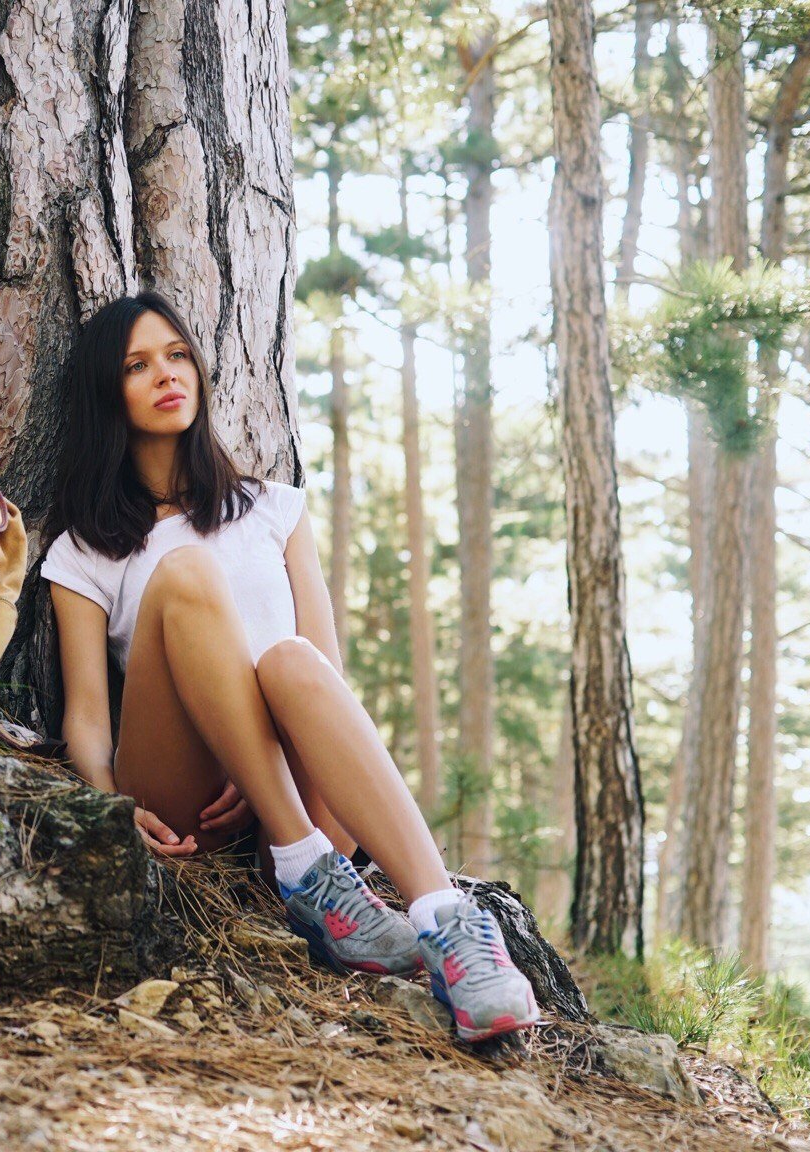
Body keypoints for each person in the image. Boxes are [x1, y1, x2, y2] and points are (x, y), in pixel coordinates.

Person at [38, 291, 539, 1043]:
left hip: (304, 791)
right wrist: (111, 809)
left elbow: (323, 674)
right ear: (108, 393)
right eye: (138, 366)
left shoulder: (275, 508)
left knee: (296, 662)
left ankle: (449, 928)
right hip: (188, 807)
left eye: (177, 356)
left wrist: (261, 756)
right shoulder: (84, 549)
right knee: (186, 575)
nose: (166, 375)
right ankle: (307, 872)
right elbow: (84, 712)